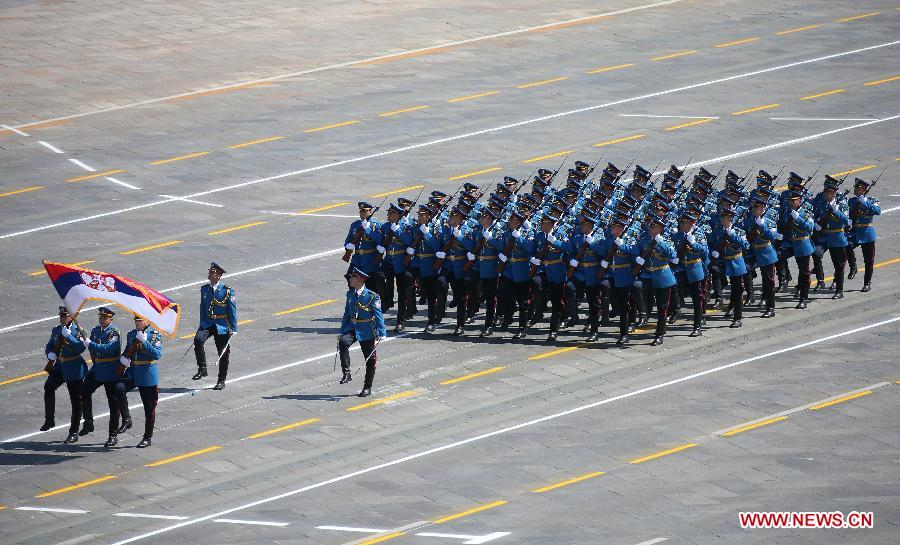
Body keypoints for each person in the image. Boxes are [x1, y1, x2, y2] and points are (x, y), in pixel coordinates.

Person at [41, 306, 88, 443]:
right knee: (48, 387)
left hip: (73, 367)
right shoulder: (56, 329)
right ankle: (49, 420)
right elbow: (50, 344)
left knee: (76, 402)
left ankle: (73, 432)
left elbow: (80, 347)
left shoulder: (79, 330)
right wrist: (50, 353)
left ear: (71, 317)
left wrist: (68, 336)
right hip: (60, 367)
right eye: (61, 316)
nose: (62, 318)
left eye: (65, 316)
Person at [338, 268, 387, 397]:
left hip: (367, 330)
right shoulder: (350, 294)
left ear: (360, 280)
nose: (350, 280)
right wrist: (342, 331)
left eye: (353, 278)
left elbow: (378, 315)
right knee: (343, 342)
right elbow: (346, 314)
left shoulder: (372, 296)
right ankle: (347, 373)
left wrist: (381, 333)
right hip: (353, 327)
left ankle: (367, 386)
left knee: (370, 359)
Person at [115, 315, 163, 448]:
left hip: (147, 372)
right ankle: (126, 419)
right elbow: (127, 351)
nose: (137, 324)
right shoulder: (131, 334)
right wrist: (123, 359)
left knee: (149, 408)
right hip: (133, 371)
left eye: (140, 321)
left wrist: (145, 342)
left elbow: (157, 354)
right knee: (119, 388)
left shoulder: (154, 335)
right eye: (136, 321)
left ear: (147, 322)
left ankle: (147, 437)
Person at [78, 307, 122, 445]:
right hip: (97, 368)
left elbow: (108, 349)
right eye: (100, 318)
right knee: (84, 392)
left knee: (113, 404)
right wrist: (83, 341)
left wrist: (91, 344)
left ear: (111, 319)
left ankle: (112, 435)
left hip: (110, 370)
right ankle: (88, 422)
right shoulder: (95, 330)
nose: (102, 320)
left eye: (105, 318)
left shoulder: (114, 332)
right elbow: (91, 347)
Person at [193, 263, 237, 390]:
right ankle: (202, 369)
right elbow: (202, 307)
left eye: (212, 272)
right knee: (198, 340)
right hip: (207, 323)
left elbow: (232, 310)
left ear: (218, 276)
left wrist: (233, 328)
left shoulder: (227, 291)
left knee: (223, 352)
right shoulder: (204, 289)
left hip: (221, 324)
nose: (209, 274)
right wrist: (201, 323)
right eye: (210, 272)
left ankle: (221, 380)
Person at [847, 177, 881, 292]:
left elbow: (877, 211)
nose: (855, 190)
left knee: (869, 261)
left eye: (858, 188)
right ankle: (853, 267)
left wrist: (865, 202)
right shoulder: (852, 201)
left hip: (867, 233)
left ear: (864, 190)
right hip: (855, 233)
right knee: (847, 246)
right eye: (856, 187)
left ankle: (867, 283)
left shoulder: (871, 200)